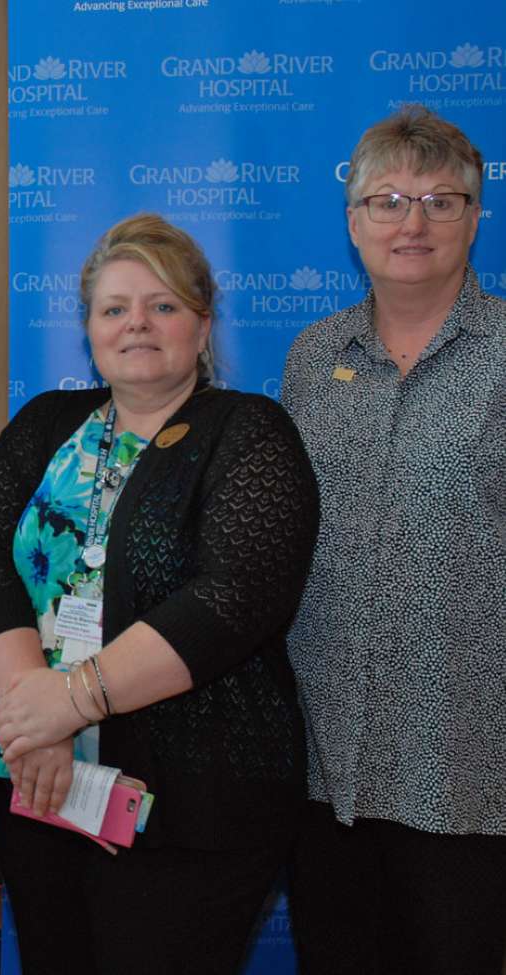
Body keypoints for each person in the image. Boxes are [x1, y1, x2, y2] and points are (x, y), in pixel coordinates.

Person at [0, 214, 320, 975]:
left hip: (196, 801)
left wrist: (74, 699)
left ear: (203, 322)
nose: (137, 325)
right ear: (87, 326)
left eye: (163, 305)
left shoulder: (248, 432)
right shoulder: (45, 423)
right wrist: (39, 714)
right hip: (40, 781)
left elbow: (232, 598)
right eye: (114, 307)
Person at [280, 105, 506, 974]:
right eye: (387, 200)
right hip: (325, 768)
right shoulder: (313, 355)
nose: (412, 222)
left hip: (470, 768)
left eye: (441, 200)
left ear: (476, 216)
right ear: (352, 220)